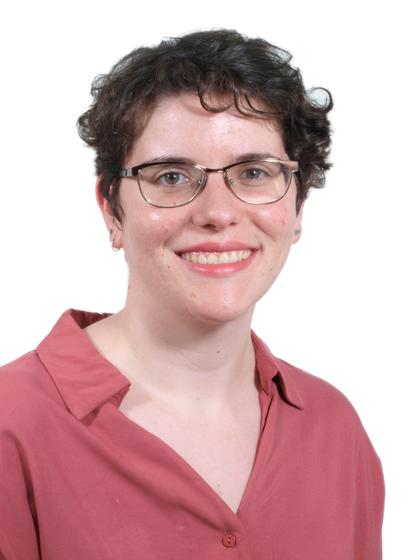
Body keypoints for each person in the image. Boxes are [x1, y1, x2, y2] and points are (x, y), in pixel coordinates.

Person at [0, 29, 384, 559]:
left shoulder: (334, 428)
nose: (218, 213)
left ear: (296, 210)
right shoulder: (11, 426)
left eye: (253, 172)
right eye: (172, 176)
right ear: (111, 210)